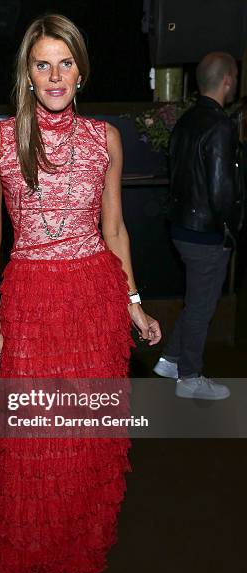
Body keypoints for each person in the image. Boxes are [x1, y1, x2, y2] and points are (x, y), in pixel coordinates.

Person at [0, 14, 161, 573]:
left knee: (85, 433)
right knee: (32, 435)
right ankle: (31, 540)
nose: (54, 75)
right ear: (27, 74)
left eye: (65, 63)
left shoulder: (106, 139)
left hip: (94, 302)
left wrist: (134, 304)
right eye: (42, 64)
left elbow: (116, 231)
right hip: (29, 299)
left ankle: (79, 534)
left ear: (81, 71)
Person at [154, 52, 241, 400]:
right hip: (206, 232)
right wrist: (230, 231)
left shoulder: (186, 121)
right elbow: (222, 189)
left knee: (196, 300)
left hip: (182, 227)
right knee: (203, 306)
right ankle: (189, 376)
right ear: (228, 80)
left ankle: (171, 359)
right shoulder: (220, 125)